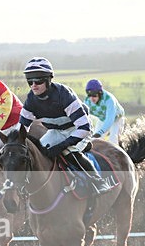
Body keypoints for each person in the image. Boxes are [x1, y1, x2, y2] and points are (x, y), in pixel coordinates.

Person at [19, 57, 109, 195]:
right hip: (56, 131)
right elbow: (21, 130)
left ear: (49, 79)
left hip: (78, 129)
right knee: (38, 153)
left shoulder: (63, 94)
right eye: (30, 81)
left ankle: (98, 180)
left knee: (68, 152)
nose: (33, 85)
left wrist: (62, 145)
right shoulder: (31, 99)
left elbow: (84, 128)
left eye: (38, 81)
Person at [84, 79, 126, 145]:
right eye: (89, 95)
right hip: (102, 119)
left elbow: (110, 119)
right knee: (94, 141)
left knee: (113, 140)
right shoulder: (87, 101)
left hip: (116, 119)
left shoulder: (109, 100)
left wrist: (100, 132)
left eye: (94, 95)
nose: (92, 98)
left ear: (100, 93)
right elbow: (84, 116)